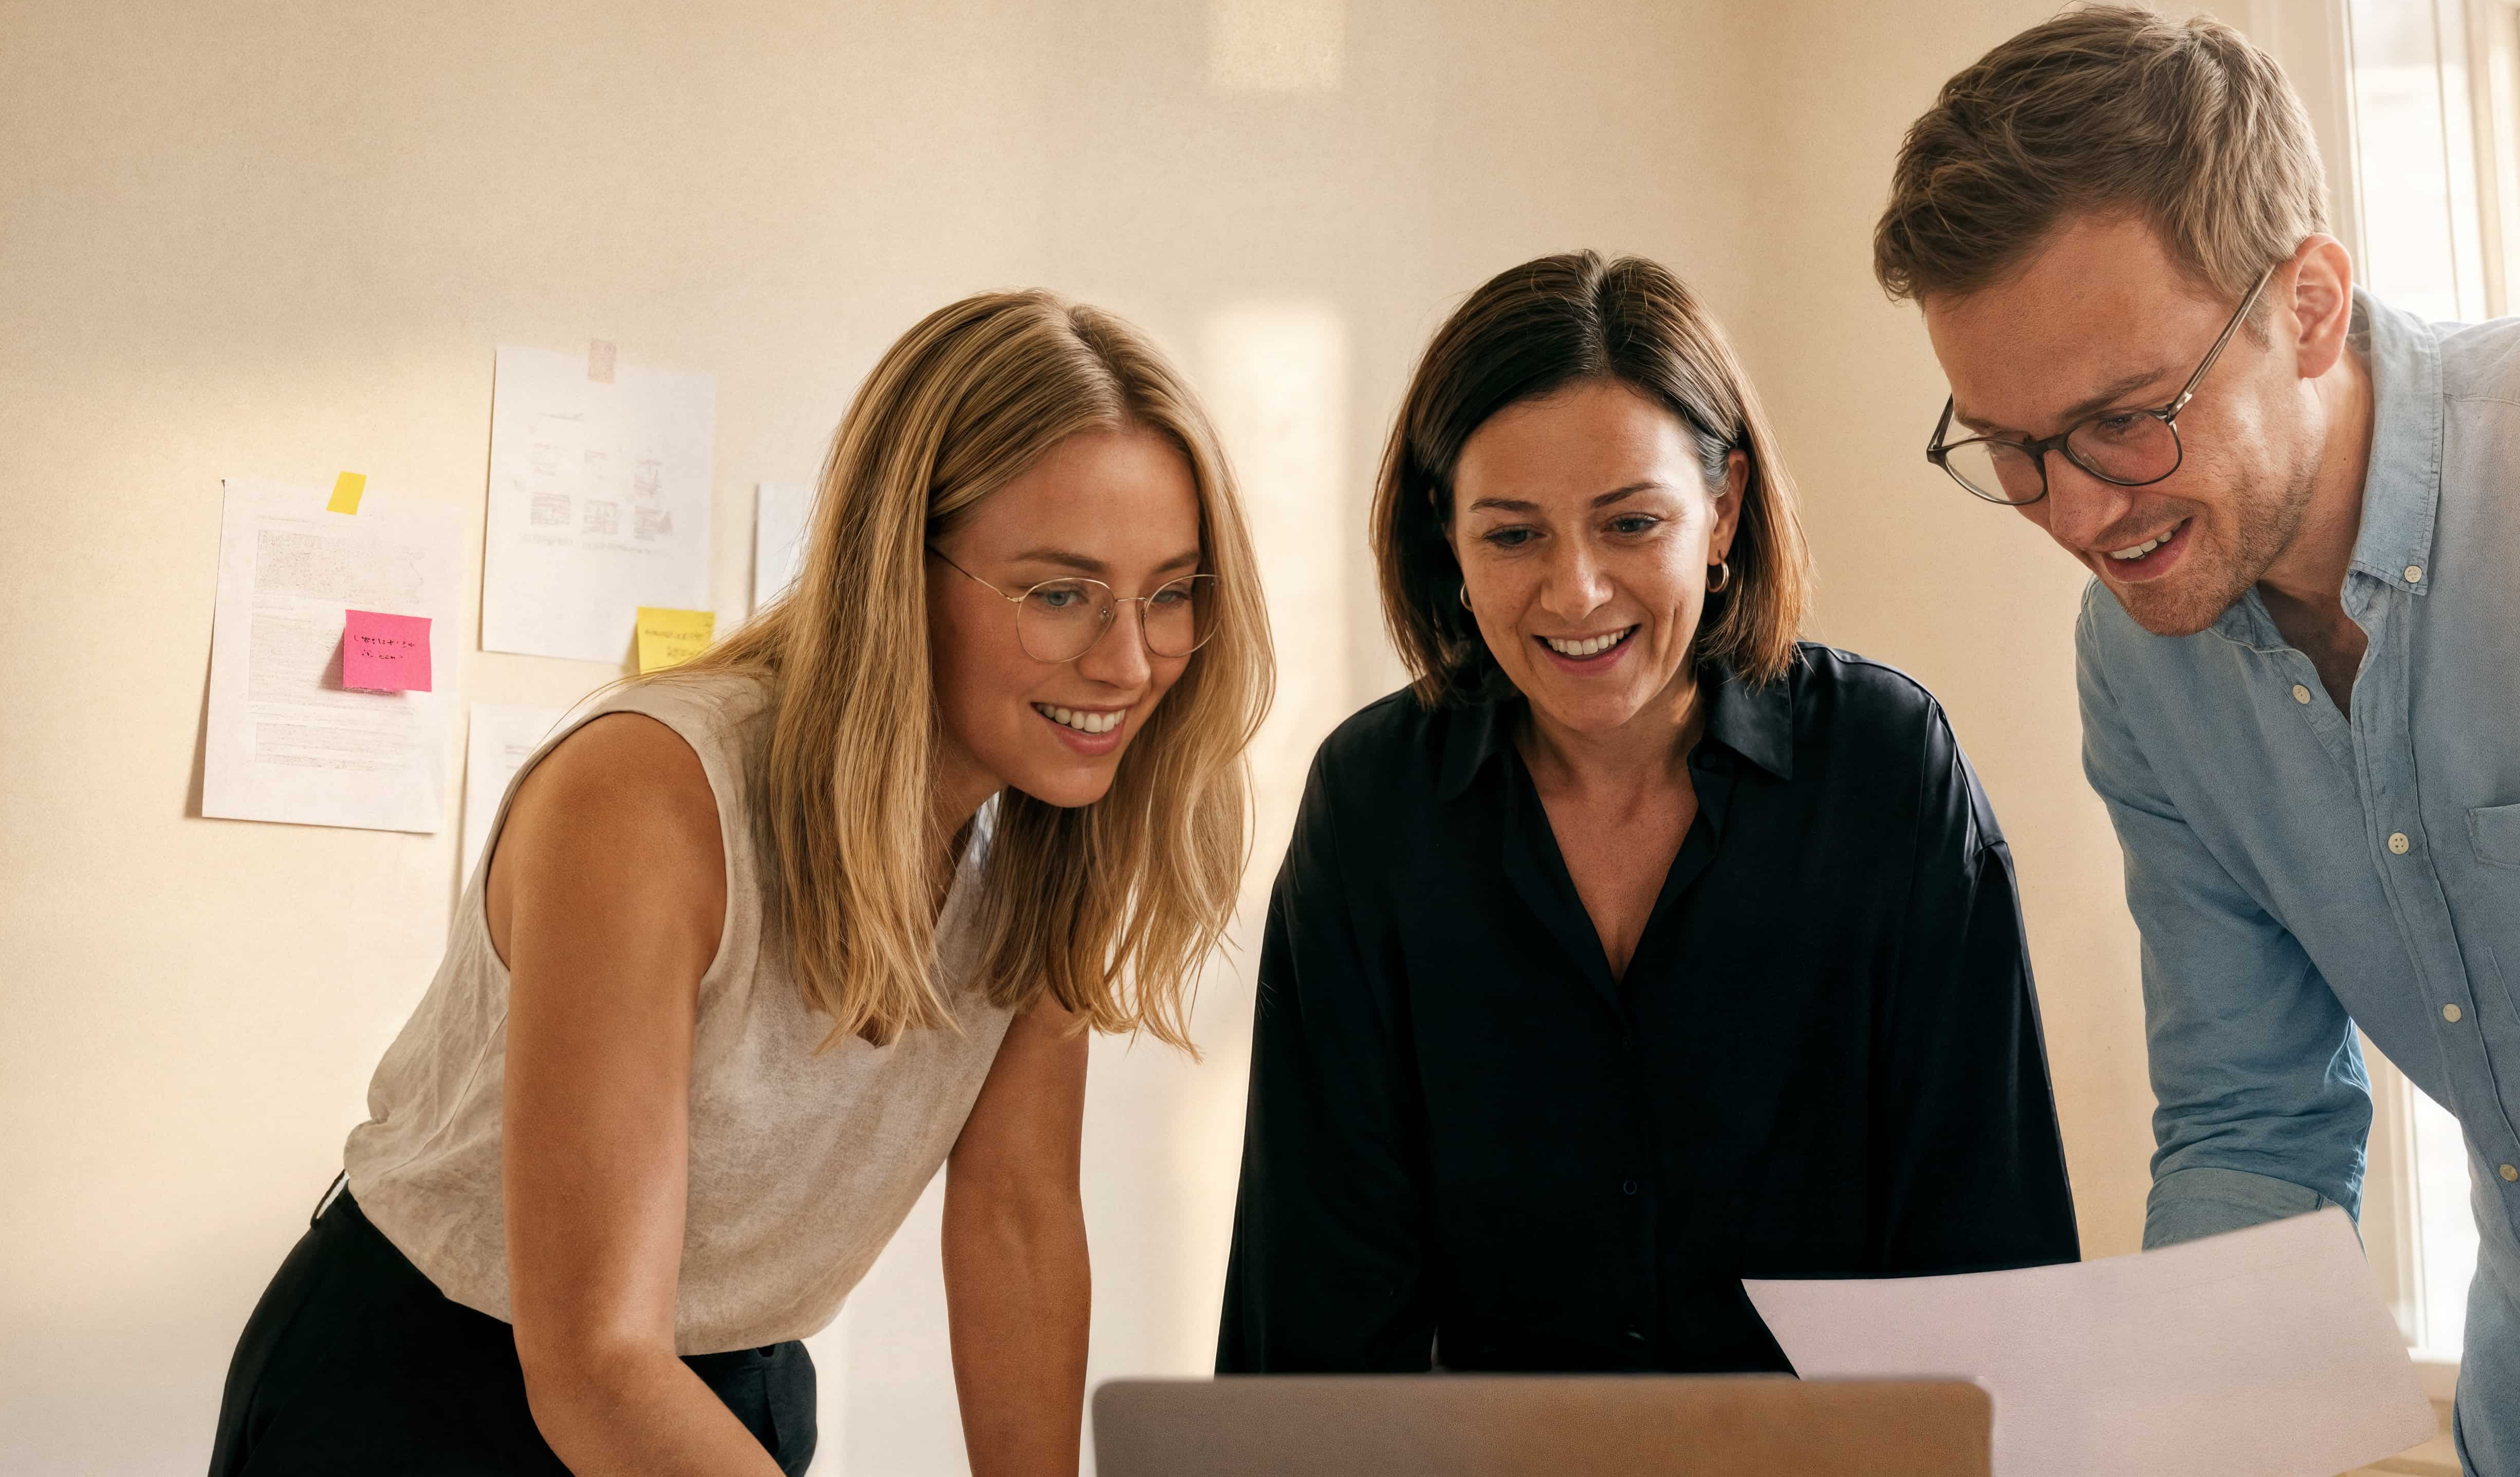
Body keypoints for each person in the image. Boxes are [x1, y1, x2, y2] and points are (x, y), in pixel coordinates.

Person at [1872, 4, 2520, 1476]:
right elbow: (2250, 1128)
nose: (2073, 514)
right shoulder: (2143, 663)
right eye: (2010, 447)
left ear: (2308, 304)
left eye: (2125, 420)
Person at [209, 291, 1274, 1477]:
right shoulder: (650, 796)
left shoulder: (1046, 828)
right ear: (896, 571)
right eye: (1060, 594)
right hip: (428, 1394)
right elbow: (597, 1362)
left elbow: (1015, 1213)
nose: (1129, 662)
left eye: (1172, 592)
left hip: (735, 1383)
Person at [1216, 250, 2079, 1375]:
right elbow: (1314, 1311)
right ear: (1448, 540)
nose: (1574, 591)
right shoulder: (1374, 809)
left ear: (1721, 513)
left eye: (1630, 524)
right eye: (1513, 534)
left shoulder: (1884, 770)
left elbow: (1989, 1261)